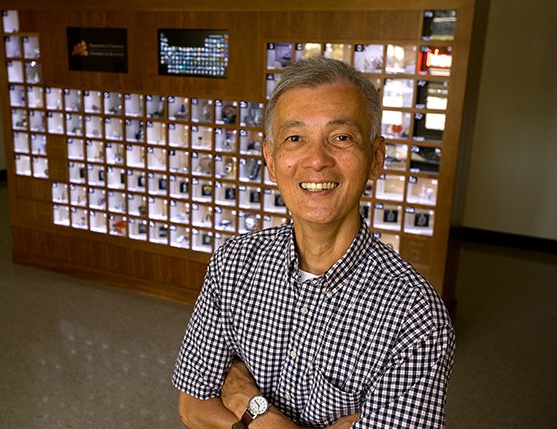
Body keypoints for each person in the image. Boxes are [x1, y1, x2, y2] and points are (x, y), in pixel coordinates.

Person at [172, 56, 455, 429]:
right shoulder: (233, 264)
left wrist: (254, 411)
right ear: (271, 161)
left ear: (376, 159)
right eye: (295, 138)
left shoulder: (416, 318)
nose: (317, 160)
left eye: (341, 138)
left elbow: (212, 413)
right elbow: (193, 406)